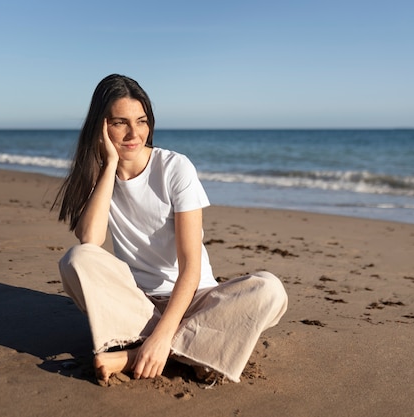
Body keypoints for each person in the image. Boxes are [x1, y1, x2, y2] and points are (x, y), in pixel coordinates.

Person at [54, 74, 288, 385]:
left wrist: (162, 335)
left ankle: (140, 353)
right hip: (140, 303)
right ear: (101, 126)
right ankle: (196, 348)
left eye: (141, 121)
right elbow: (90, 240)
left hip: (195, 299)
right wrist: (109, 165)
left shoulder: (175, 168)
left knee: (269, 291)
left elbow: (190, 268)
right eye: (120, 122)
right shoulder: (101, 175)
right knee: (76, 260)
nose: (133, 133)